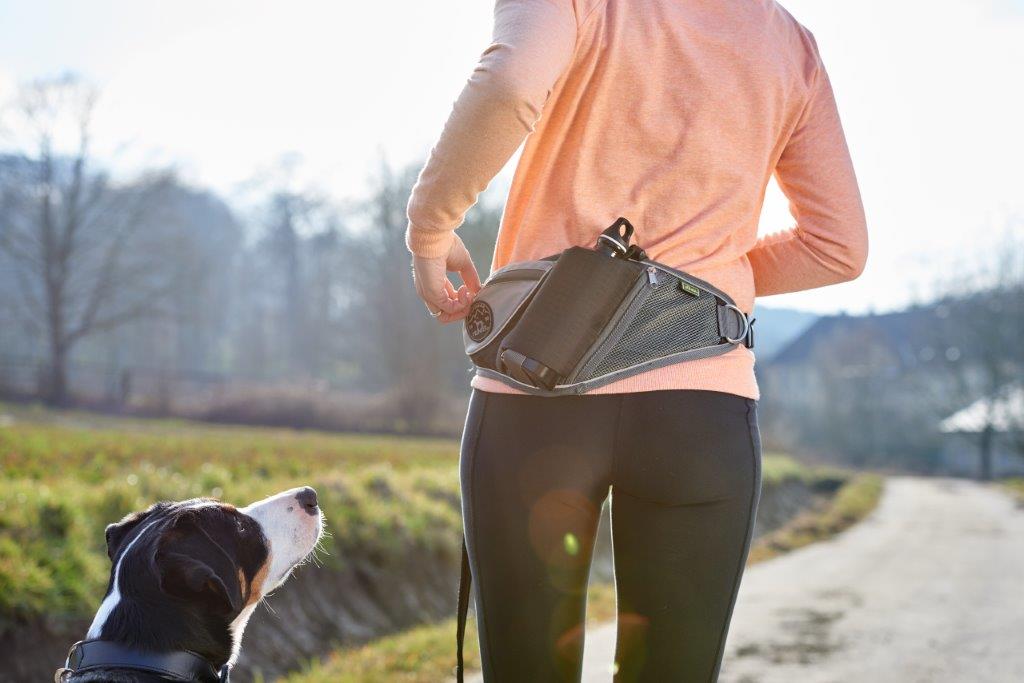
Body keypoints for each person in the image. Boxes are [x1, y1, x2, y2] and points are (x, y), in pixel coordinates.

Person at [406, 0, 867, 680]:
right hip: (700, 409)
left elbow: (509, 84)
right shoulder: (787, 43)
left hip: (537, 385)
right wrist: (698, 284)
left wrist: (430, 228)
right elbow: (839, 248)